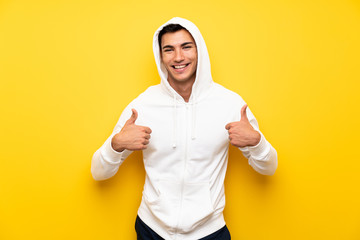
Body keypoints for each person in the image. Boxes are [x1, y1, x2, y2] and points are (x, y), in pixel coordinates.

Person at [91, 17, 278, 240]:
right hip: (152, 230)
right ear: (160, 56)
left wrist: (257, 142)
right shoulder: (142, 106)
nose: (178, 57)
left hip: (210, 232)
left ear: (199, 50)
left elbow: (269, 169)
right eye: (168, 49)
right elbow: (98, 172)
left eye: (186, 47)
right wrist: (116, 144)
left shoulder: (230, 103)